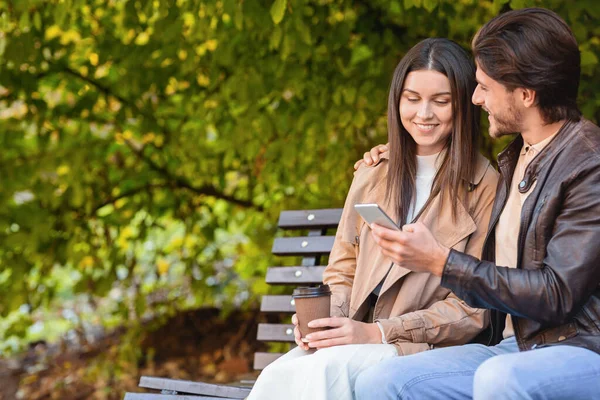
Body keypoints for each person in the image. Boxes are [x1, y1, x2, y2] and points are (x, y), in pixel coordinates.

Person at [354, 8, 600, 400]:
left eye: (485, 86)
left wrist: (440, 262)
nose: (475, 97)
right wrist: (397, 153)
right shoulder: (516, 157)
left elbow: (556, 294)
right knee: (382, 381)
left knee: (500, 379)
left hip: (581, 347)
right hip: (515, 345)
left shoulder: (589, 165)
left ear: (525, 94)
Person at [247, 38, 499, 400]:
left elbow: (473, 310)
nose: (423, 113)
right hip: (355, 339)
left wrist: (379, 332)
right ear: (397, 100)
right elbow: (342, 269)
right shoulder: (373, 171)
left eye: (441, 101)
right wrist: (323, 322)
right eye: (412, 99)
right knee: (279, 374)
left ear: (465, 105)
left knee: (326, 372)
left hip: (420, 349)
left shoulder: (485, 186)